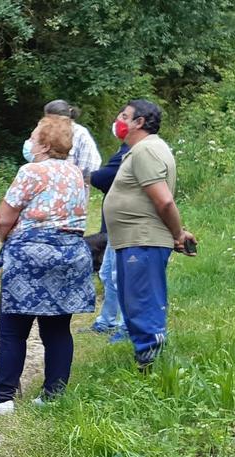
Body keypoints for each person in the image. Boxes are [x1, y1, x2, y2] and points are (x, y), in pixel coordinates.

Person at [0, 115, 95, 415]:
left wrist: (10, 241)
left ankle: (4, 396)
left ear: (45, 144)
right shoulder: (75, 173)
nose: (30, 142)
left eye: (33, 137)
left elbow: (5, 217)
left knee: (13, 329)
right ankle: (53, 394)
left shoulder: (31, 171)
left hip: (31, 258)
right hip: (70, 255)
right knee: (58, 329)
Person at [104, 99, 197, 370]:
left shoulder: (146, 150)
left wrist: (177, 233)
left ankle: (153, 366)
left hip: (142, 240)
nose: (118, 120)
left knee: (143, 303)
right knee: (134, 304)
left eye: (124, 115)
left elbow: (164, 201)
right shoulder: (144, 150)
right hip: (134, 240)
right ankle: (147, 362)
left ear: (139, 122)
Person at [89, 125, 133, 342]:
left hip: (123, 228)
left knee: (118, 277)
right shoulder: (124, 151)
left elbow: (101, 178)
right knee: (107, 274)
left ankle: (125, 327)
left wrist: (90, 175)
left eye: (124, 117)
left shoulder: (128, 153)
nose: (118, 122)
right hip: (113, 228)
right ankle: (107, 321)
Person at [22, 100, 102, 180]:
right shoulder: (44, 129)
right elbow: (32, 152)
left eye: (51, 119)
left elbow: (91, 166)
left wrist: (72, 178)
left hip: (72, 185)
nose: (48, 122)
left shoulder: (80, 133)